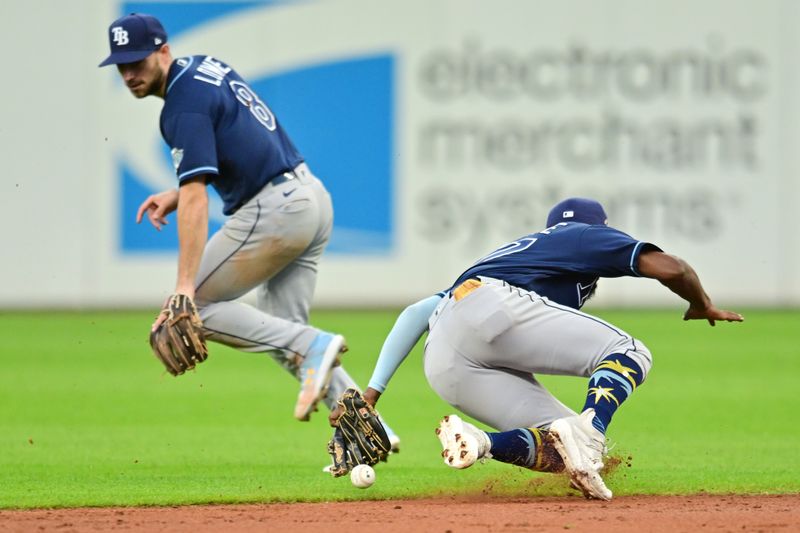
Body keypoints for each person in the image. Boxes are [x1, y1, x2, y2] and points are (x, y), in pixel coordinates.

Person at [98, 13, 400, 442]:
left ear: (163, 51)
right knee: (284, 336)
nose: (129, 74)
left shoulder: (179, 108)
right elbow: (232, 143)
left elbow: (199, 198)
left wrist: (184, 285)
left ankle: (312, 343)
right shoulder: (203, 66)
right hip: (310, 197)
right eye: (122, 66)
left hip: (274, 210)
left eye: (138, 61)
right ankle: (367, 428)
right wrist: (178, 190)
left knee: (194, 307)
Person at [334, 197, 742, 500]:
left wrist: (372, 392)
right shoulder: (582, 234)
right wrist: (700, 303)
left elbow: (415, 313)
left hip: (444, 357)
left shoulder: (519, 253)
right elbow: (675, 268)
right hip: (492, 306)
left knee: (562, 448)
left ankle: (479, 443)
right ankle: (594, 432)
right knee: (629, 350)